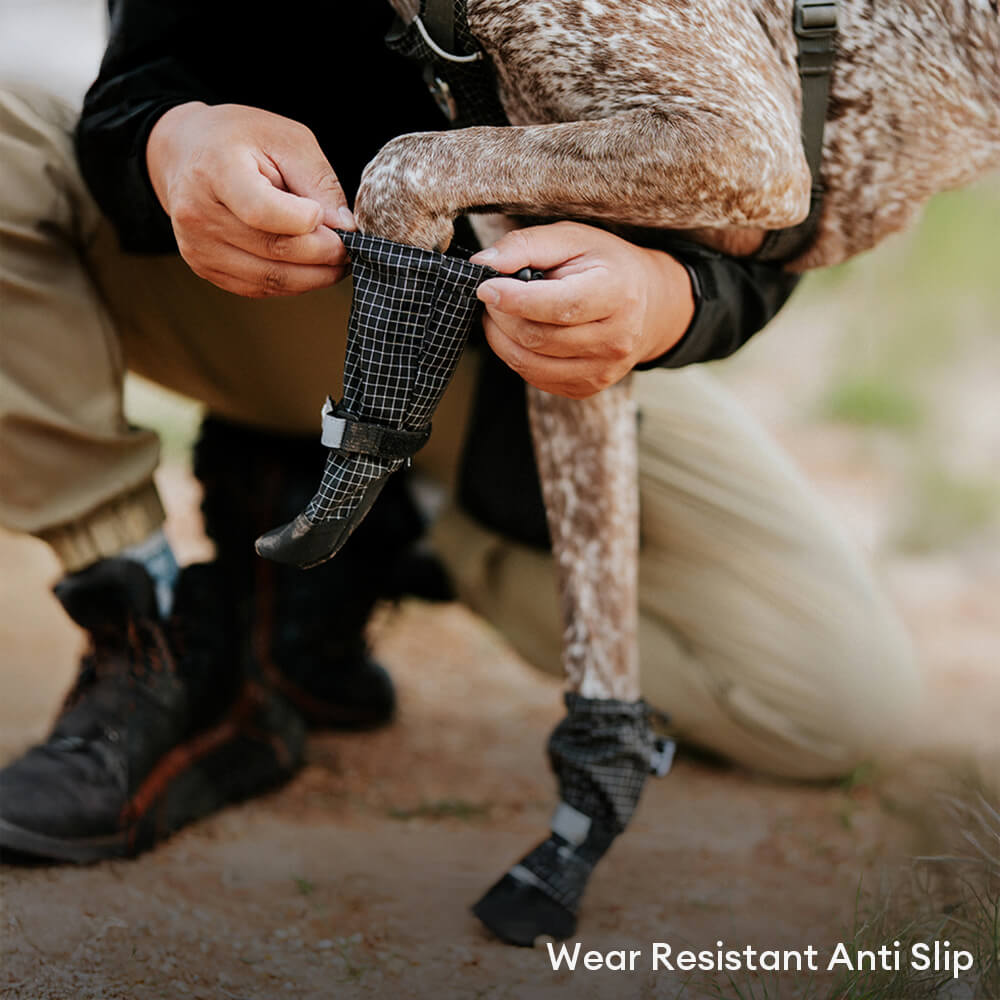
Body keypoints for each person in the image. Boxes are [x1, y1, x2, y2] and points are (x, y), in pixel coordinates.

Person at [0, 2, 919, 863]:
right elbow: (135, 84)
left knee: (830, 699)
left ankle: (387, 517)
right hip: (258, 287)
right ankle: (147, 623)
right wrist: (173, 141)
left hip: (526, 345)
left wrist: (666, 299)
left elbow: (780, 176)